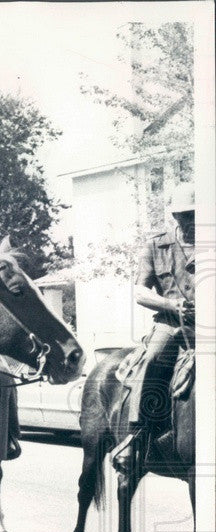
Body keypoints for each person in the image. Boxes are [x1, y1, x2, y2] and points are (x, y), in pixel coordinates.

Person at [113, 184, 195, 474]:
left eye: (196, 214)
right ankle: (137, 436)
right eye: (185, 215)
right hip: (170, 325)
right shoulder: (155, 246)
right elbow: (140, 292)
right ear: (175, 215)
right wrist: (171, 306)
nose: (191, 221)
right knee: (152, 360)